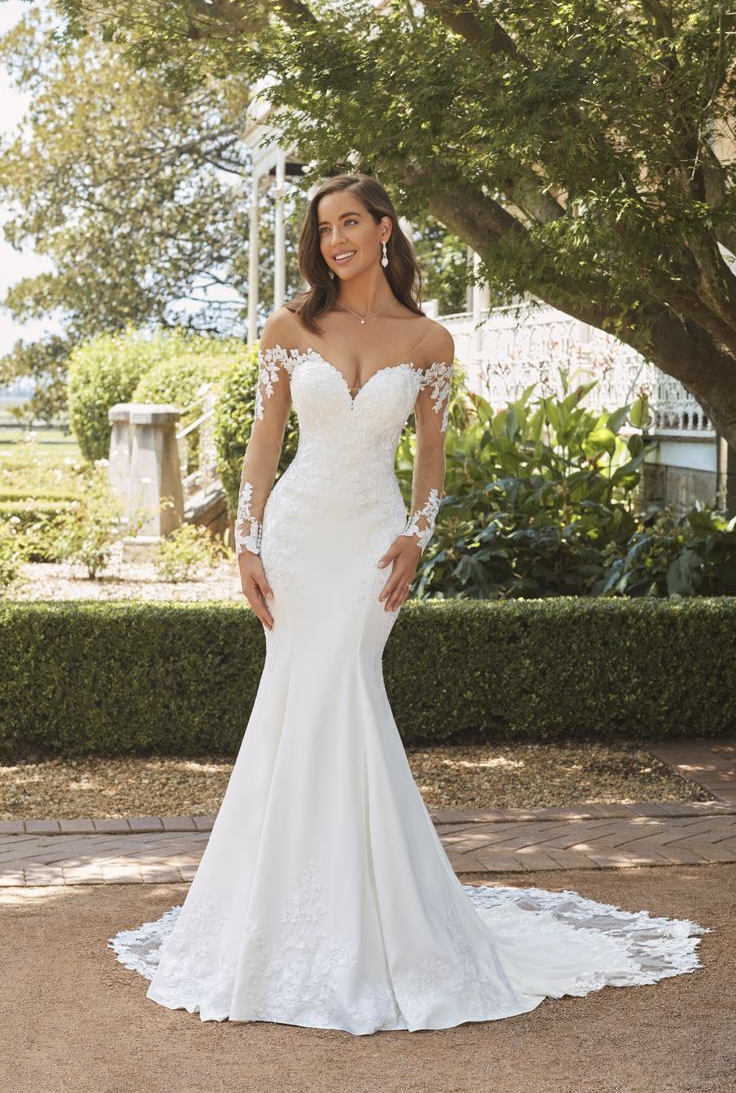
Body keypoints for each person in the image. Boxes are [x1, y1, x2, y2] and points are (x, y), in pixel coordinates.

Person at [108, 173, 708, 1035]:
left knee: (345, 691)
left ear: (385, 229)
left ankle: (380, 919)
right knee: (297, 703)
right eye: (322, 229)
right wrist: (245, 541)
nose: (334, 240)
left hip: (370, 544)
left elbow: (431, 456)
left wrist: (419, 535)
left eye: (349, 223)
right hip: (298, 537)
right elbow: (264, 442)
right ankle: (279, 914)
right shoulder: (291, 327)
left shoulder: (431, 340)